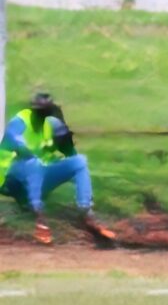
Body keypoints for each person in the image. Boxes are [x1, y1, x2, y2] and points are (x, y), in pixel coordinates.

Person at [3, 89, 115, 244]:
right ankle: (39, 217)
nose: (42, 114)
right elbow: (17, 145)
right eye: (39, 111)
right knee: (33, 163)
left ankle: (86, 212)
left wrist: (65, 142)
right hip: (13, 181)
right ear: (32, 110)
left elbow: (70, 153)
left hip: (38, 176)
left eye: (46, 111)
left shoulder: (51, 124)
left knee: (80, 161)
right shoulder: (20, 121)